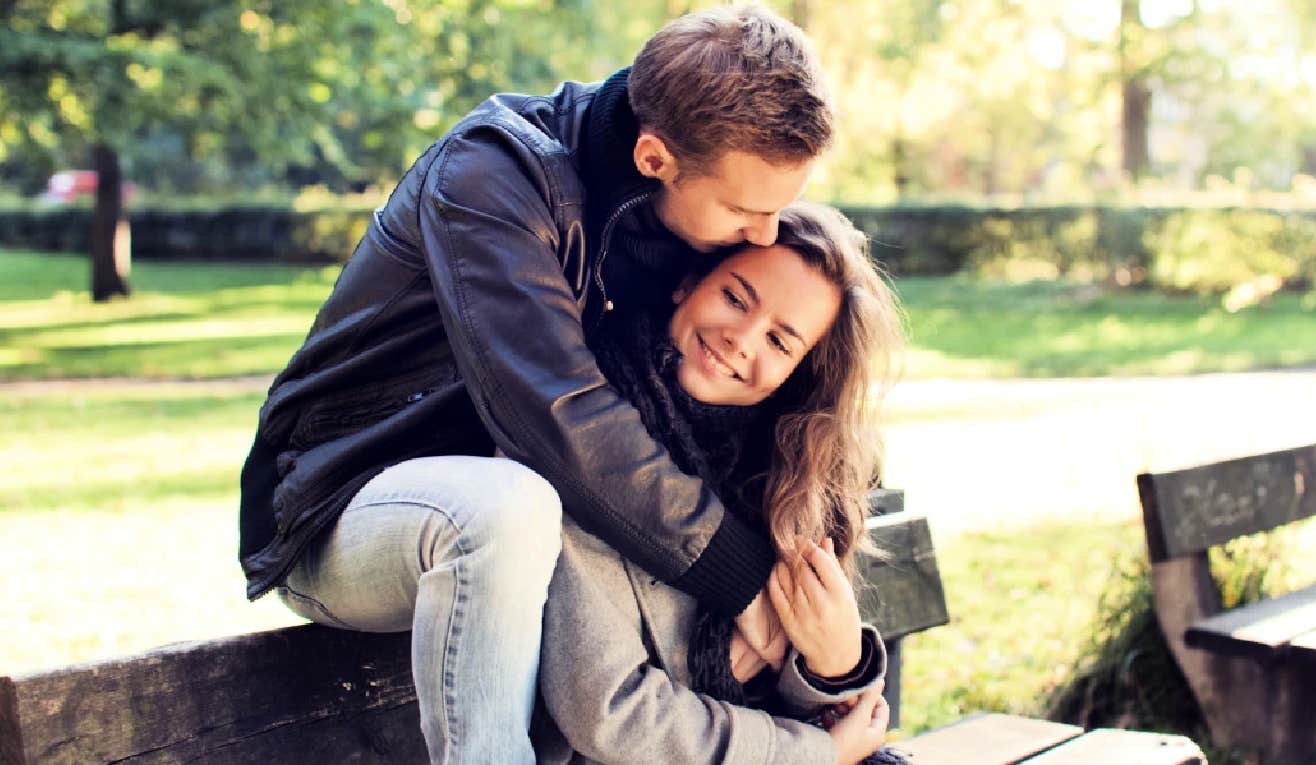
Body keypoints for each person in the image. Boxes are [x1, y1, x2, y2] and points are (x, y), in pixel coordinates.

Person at [237, 5, 834, 763]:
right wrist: (747, 583)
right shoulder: (490, 177)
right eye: (749, 210)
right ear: (653, 157)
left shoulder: (669, 223)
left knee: (520, 510)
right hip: (340, 508)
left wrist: (822, 636)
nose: (765, 234)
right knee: (505, 506)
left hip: (524, 551)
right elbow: (560, 420)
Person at [532, 202, 908, 765]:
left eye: (780, 342)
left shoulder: (784, 474)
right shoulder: (584, 433)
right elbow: (611, 712)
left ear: (796, 373)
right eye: (735, 298)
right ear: (688, 284)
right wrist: (813, 753)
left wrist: (833, 666)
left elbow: (815, 700)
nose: (742, 339)